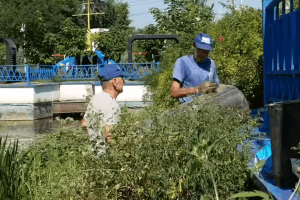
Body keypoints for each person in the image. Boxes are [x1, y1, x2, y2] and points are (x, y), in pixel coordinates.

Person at [81, 64, 125, 158]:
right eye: (122, 78)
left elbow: (84, 124)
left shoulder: (95, 99)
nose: (124, 81)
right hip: (105, 159)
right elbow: (110, 138)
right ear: (115, 82)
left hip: (92, 155)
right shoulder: (112, 105)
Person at [171, 33, 220, 103]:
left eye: (206, 51)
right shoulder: (182, 62)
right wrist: (197, 89)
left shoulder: (211, 63)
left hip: (209, 107)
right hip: (189, 109)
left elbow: (217, 86)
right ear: (194, 45)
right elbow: (174, 92)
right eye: (201, 49)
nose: (203, 54)